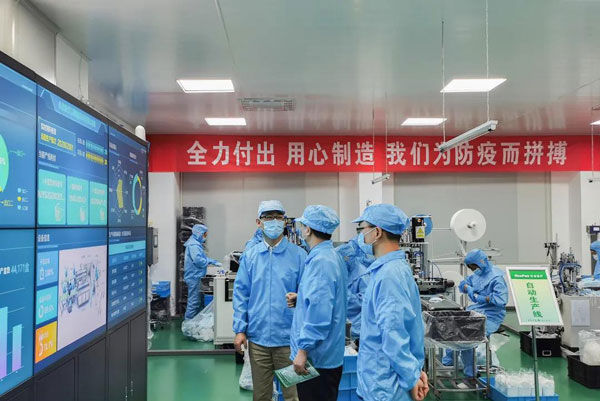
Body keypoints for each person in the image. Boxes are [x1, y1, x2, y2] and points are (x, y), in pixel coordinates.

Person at [353, 204, 429, 401]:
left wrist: (411, 377)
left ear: (377, 232)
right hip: (386, 381)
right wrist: (414, 371)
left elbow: (393, 332)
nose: (361, 235)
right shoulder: (392, 269)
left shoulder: (389, 275)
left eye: (362, 229)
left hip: (386, 385)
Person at [233, 200, 307, 401]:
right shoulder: (251, 257)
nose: (274, 221)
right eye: (268, 217)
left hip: (289, 341)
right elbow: (241, 294)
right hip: (258, 341)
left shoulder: (299, 256)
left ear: (284, 221)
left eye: (278, 217)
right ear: (259, 222)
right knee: (261, 395)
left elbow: (308, 295)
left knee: (292, 396)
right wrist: (240, 329)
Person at [290, 205, 348, 401]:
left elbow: (320, 313)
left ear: (308, 230)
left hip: (317, 358)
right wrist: (301, 299)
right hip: (326, 355)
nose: (300, 230)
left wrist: (303, 350)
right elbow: (326, 298)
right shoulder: (331, 256)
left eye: (302, 226)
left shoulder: (321, 262)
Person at [442, 249, 508, 377]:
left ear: (481, 262)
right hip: (475, 310)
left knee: (467, 337)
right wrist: (468, 288)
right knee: (453, 329)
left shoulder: (496, 278)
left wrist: (484, 298)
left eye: (474, 267)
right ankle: (447, 364)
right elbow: (463, 284)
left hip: (491, 316)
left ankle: (470, 374)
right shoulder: (477, 275)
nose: (473, 270)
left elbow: (501, 300)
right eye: (470, 268)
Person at [336, 234, 373, 340]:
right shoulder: (344, 272)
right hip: (346, 323)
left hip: (358, 326)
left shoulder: (362, 275)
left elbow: (365, 301)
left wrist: (345, 297)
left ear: (348, 258)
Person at [183, 224, 221, 320]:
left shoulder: (195, 244)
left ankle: (195, 323)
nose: (205, 237)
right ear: (199, 233)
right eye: (205, 234)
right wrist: (209, 262)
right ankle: (188, 324)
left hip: (196, 276)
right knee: (194, 302)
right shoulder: (194, 245)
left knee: (198, 302)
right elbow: (198, 260)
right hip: (194, 277)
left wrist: (212, 261)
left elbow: (201, 257)